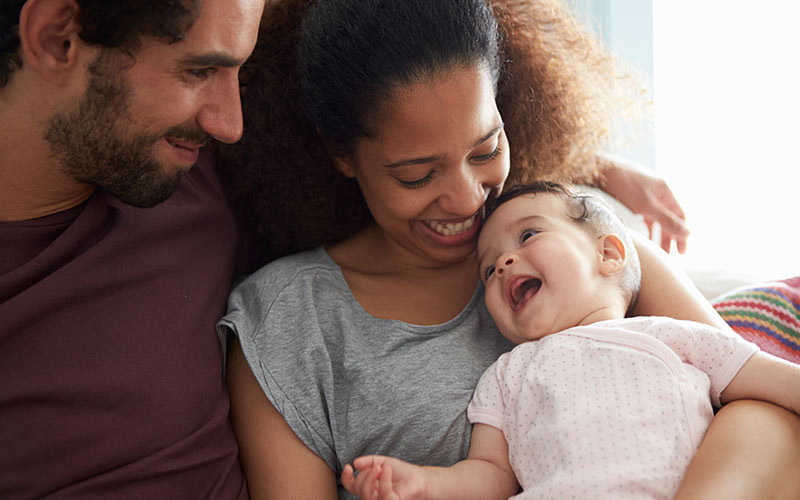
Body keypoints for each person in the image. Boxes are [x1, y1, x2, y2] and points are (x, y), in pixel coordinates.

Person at [217, 0, 800, 499]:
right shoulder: (289, 325)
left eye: (485, 147)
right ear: (341, 155)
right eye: (418, 176)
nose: (468, 199)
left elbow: (761, 410)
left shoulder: (581, 242)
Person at [341, 182, 800, 500]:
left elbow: (770, 378)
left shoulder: (669, 335)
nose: (502, 264)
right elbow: (491, 476)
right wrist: (423, 484)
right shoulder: (504, 375)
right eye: (488, 269)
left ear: (609, 253)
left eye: (528, 235)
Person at [0, 0, 264, 498]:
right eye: (199, 70)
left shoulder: (203, 173)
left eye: (238, 73)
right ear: (58, 37)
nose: (230, 124)